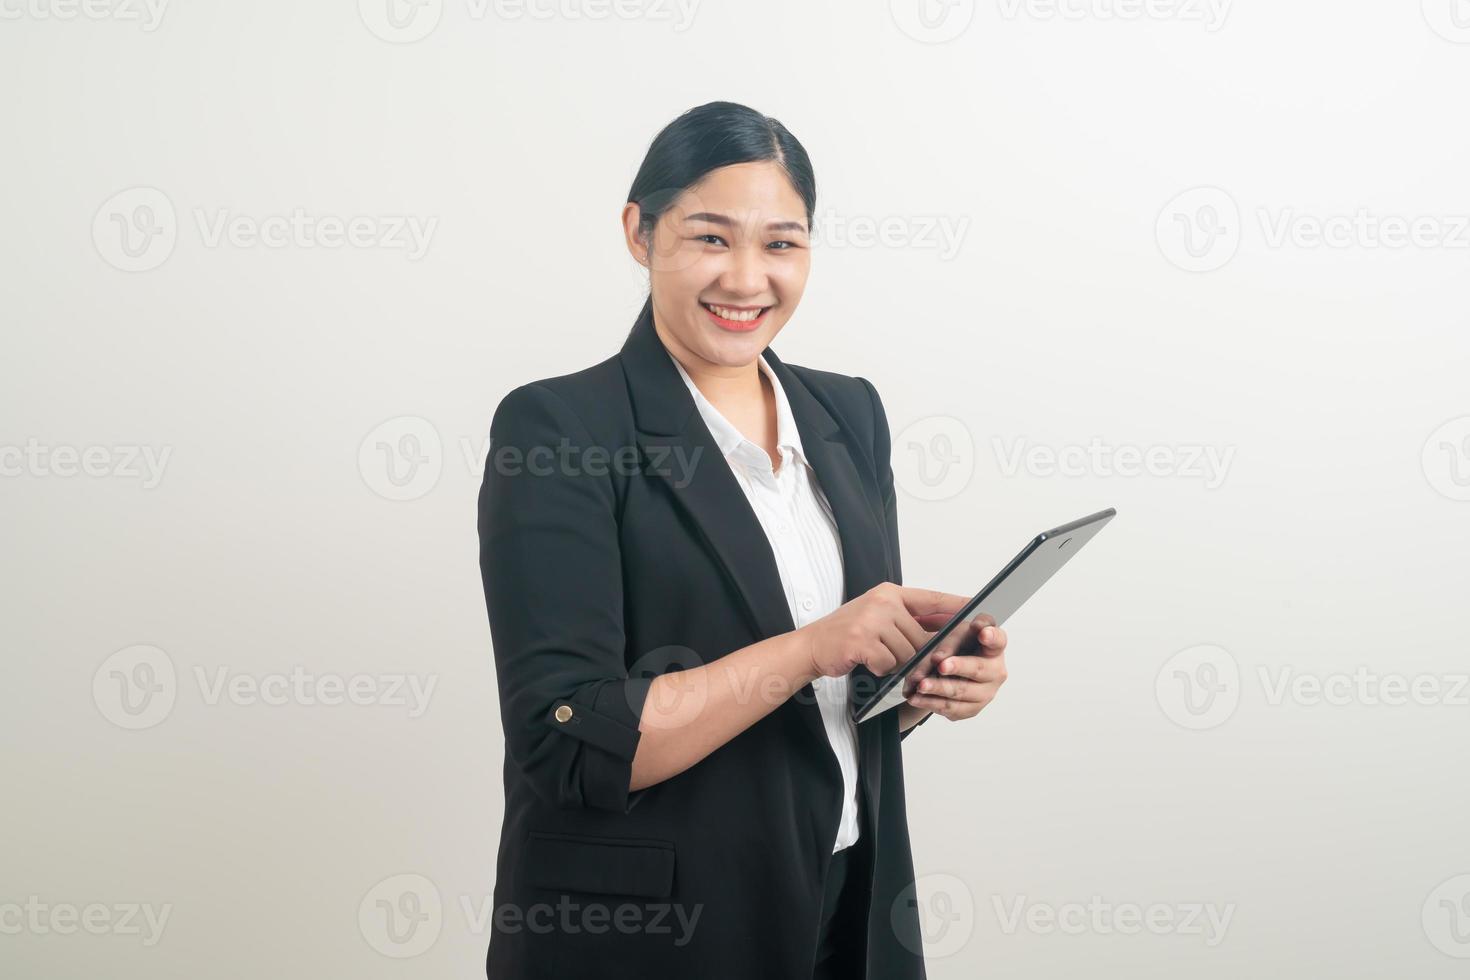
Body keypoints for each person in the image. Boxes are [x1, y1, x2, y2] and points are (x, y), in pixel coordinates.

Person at [477, 100, 1009, 980]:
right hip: (657, 937)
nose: (748, 279)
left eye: (782, 243)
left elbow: (831, 712)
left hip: (850, 909)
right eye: (711, 238)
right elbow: (569, 741)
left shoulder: (849, 414)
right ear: (638, 233)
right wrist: (809, 648)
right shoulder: (560, 428)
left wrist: (925, 681)